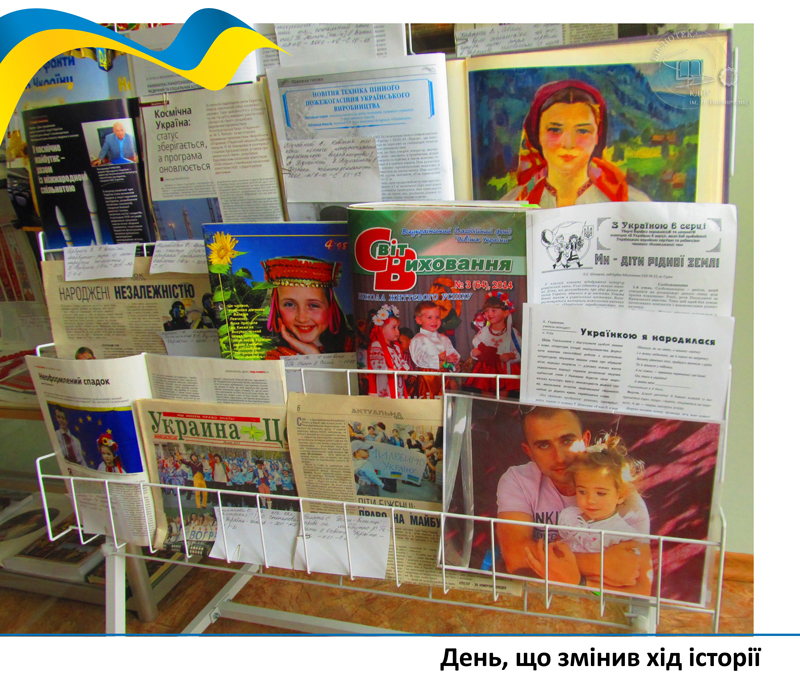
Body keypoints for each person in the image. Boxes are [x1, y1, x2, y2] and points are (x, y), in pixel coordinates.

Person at [496, 406, 650, 591]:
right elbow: (515, 557)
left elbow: (641, 588)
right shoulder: (518, 480)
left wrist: (579, 581)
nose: (559, 457)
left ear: (585, 440)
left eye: (567, 441)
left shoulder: (619, 492)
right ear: (528, 451)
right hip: (535, 596)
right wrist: (600, 564)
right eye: (543, 445)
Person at [509, 80, 650, 208]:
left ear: (597, 137)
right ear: (537, 135)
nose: (568, 144)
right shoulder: (513, 203)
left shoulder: (632, 203)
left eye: (583, 131)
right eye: (555, 130)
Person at [262, 256, 354, 357]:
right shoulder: (273, 358)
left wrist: (313, 354)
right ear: (276, 307)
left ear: (330, 306)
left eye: (313, 305)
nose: (302, 319)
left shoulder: (354, 346)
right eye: (289, 304)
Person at [464, 291, 521, 396]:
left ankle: (500, 405)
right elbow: (477, 347)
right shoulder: (484, 332)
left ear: (506, 313)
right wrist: (475, 353)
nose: (489, 314)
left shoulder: (512, 333)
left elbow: (520, 352)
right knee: (486, 394)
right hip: (487, 369)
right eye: (486, 311)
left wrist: (511, 355)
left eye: (493, 310)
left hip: (504, 369)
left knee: (502, 395)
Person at [409, 300, 460, 399]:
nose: (435, 321)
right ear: (419, 320)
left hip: (444, 377)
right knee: (429, 403)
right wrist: (437, 358)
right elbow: (418, 360)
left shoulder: (444, 339)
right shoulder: (418, 339)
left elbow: (451, 357)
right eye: (430, 317)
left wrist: (452, 361)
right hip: (427, 378)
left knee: (443, 402)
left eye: (437, 317)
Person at [367, 304, 410, 398]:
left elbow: (400, 361)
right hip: (385, 386)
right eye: (394, 328)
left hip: (397, 385)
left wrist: (404, 371)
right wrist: (397, 371)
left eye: (398, 328)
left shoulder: (396, 347)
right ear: (382, 330)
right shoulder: (377, 346)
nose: (397, 331)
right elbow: (378, 367)